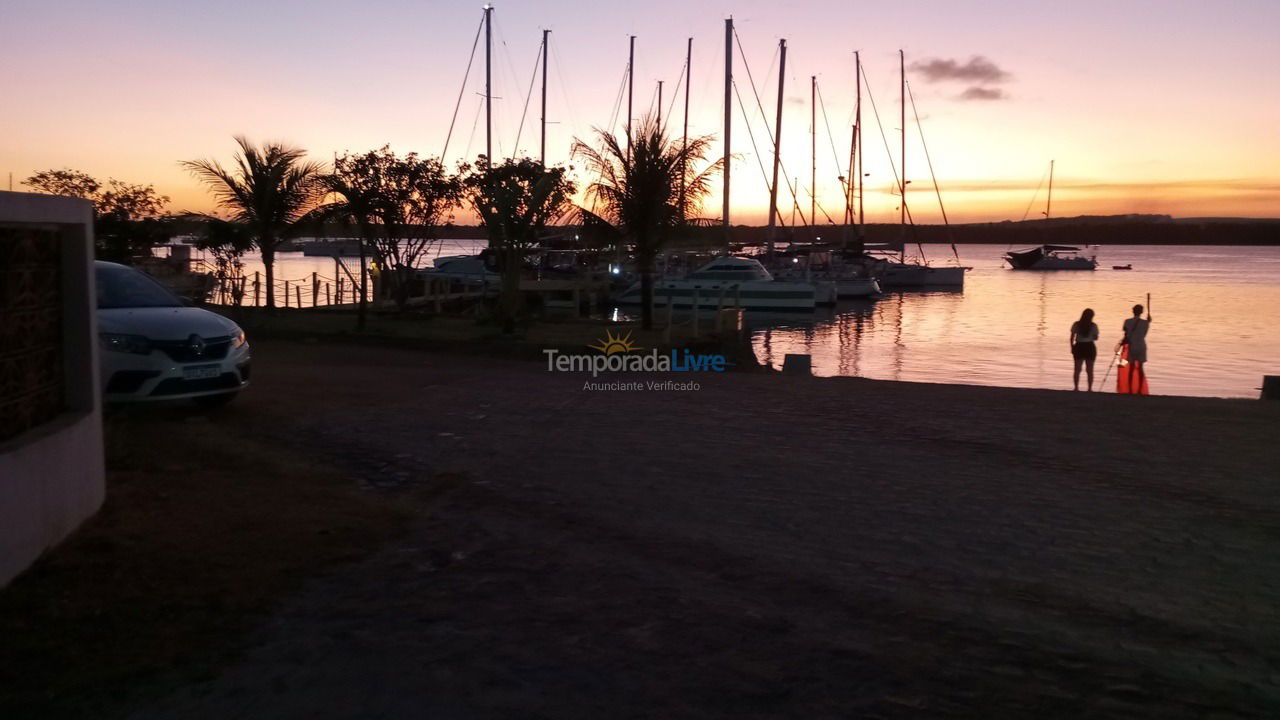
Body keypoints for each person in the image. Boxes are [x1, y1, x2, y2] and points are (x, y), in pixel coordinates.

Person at [1120, 304, 1152, 393]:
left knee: (1131, 368)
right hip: (1141, 346)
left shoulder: (1127, 321)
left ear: (1133, 311)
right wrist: (1148, 322)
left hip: (1132, 345)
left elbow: (1126, 333)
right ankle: (1139, 389)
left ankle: (1130, 389)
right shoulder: (1145, 323)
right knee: (1141, 368)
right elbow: (1144, 334)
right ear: (1141, 312)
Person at [1070, 308, 1099, 391]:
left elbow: (1072, 337)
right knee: (1090, 370)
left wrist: (1072, 347)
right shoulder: (1093, 326)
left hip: (1079, 346)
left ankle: (1076, 388)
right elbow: (1096, 337)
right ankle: (1089, 388)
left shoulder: (1076, 324)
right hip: (1090, 347)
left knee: (1077, 369)